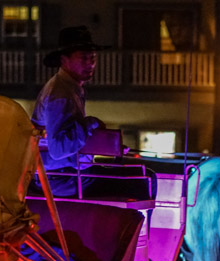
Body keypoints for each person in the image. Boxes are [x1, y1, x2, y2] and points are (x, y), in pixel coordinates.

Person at [30, 26, 149, 199]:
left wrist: (105, 146)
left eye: (92, 57)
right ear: (65, 60)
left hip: (58, 173)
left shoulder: (69, 87)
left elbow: (68, 139)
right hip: (56, 178)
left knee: (138, 175)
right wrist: (90, 123)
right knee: (142, 181)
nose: (90, 63)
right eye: (84, 58)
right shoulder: (60, 94)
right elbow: (59, 149)